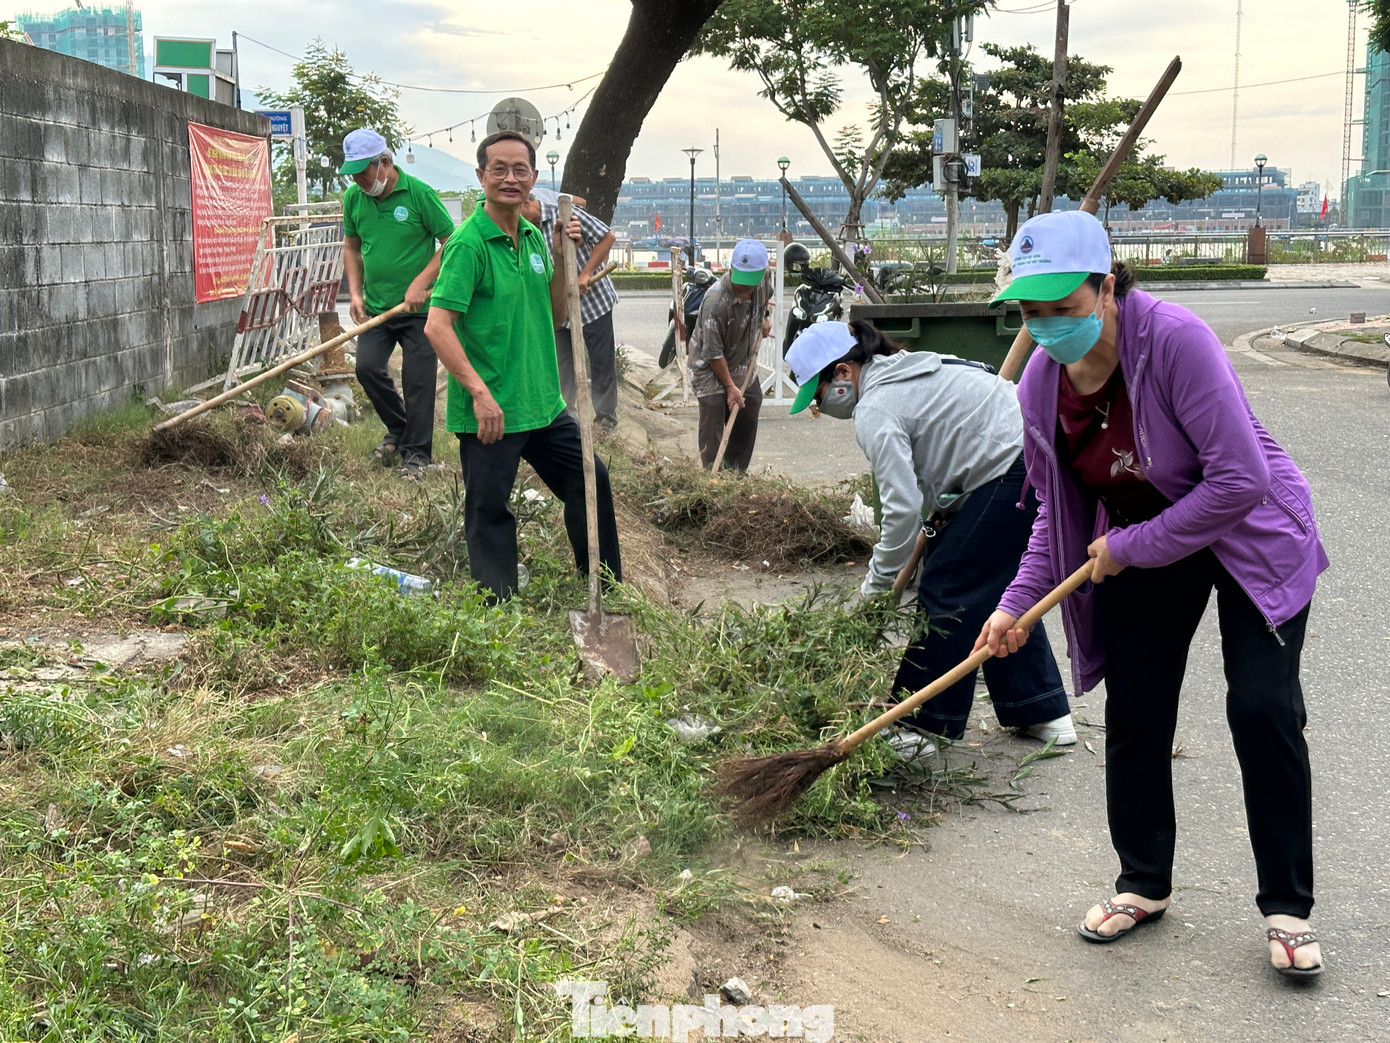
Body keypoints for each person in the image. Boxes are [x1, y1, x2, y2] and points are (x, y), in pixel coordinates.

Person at [974, 209, 1328, 978]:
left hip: (1247, 532)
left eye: (1061, 308)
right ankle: (1142, 882)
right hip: (1146, 540)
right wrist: (1012, 605)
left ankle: (1288, 906)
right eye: (1029, 313)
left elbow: (1241, 479)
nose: (1044, 328)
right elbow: (1056, 522)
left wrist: (1129, 546)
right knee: (1135, 709)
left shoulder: (1174, 340)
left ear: (1105, 288)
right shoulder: (1041, 387)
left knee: (1261, 706)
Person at [784, 320, 1073, 758]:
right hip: (1025, 457)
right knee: (994, 591)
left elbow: (900, 509)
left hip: (1012, 467)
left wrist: (876, 586)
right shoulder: (904, 368)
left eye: (819, 397)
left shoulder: (876, 407)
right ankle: (1041, 710)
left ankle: (922, 725)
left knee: (949, 586)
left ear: (843, 373)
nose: (820, 410)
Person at [423, 131, 622, 602]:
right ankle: (496, 609)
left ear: (534, 178)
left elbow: (554, 314)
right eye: (499, 169)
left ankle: (605, 587)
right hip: (492, 411)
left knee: (591, 481)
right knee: (490, 511)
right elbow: (437, 326)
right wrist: (478, 393)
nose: (511, 179)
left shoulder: (533, 237)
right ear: (481, 177)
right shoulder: (469, 245)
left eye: (520, 170)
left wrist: (559, 255)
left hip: (543, 404)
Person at [339, 128, 454, 480]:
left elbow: (451, 242)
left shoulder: (419, 194)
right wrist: (356, 295)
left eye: (363, 172)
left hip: (419, 311)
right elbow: (351, 247)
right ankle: (399, 428)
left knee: (418, 380)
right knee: (367, 368)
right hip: (378, 308)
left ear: (385, 163)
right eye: (353, 174)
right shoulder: (355, 199)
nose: (358, 181)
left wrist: (421, 283)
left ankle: (417, 455)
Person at [520, 188, 621, 433]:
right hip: (558, 308)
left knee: (600, 362)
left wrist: (585, 274)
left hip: (593, 303)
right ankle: (567, 418)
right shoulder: (522, 230)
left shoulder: (565, 215)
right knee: (561, 364)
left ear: (527, 203)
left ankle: (606, 419)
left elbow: (607, 237)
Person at [687, 239, 773, 471]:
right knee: (714, 409)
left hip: (742, 359)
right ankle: (712, 476)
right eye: (740, 282)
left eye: (750, 283)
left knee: (751, 402)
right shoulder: (715, 302)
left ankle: (735, 474)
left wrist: (764, 318)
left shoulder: (765, 280)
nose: (744, 290)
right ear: (732, 269)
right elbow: (713, 354)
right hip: (708, 365)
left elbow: (765, 300)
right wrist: (729, 387)